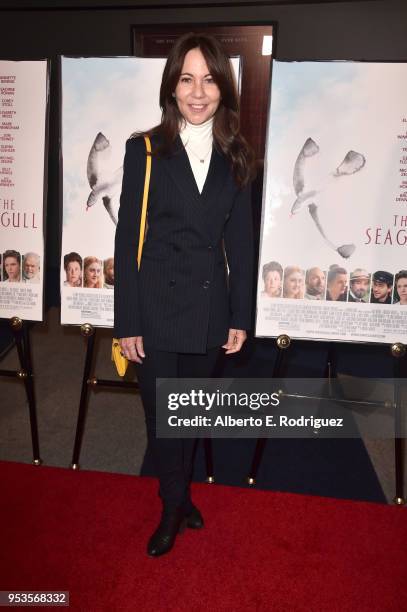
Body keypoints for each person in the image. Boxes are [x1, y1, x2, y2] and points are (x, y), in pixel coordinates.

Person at [114, 33, 255, 557]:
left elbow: (240, 243)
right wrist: (127, 320)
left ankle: (179, 494)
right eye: (187, 79)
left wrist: (240, 314)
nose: (199, 92)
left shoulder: (238, 156)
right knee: (161, 416)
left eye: (210, 79)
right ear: (171, 87)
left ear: (224, 88)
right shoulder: (144, 150)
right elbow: (127, 238)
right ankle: (173, 503)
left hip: (208, 306)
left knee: (190, 414)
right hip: (153, 307)